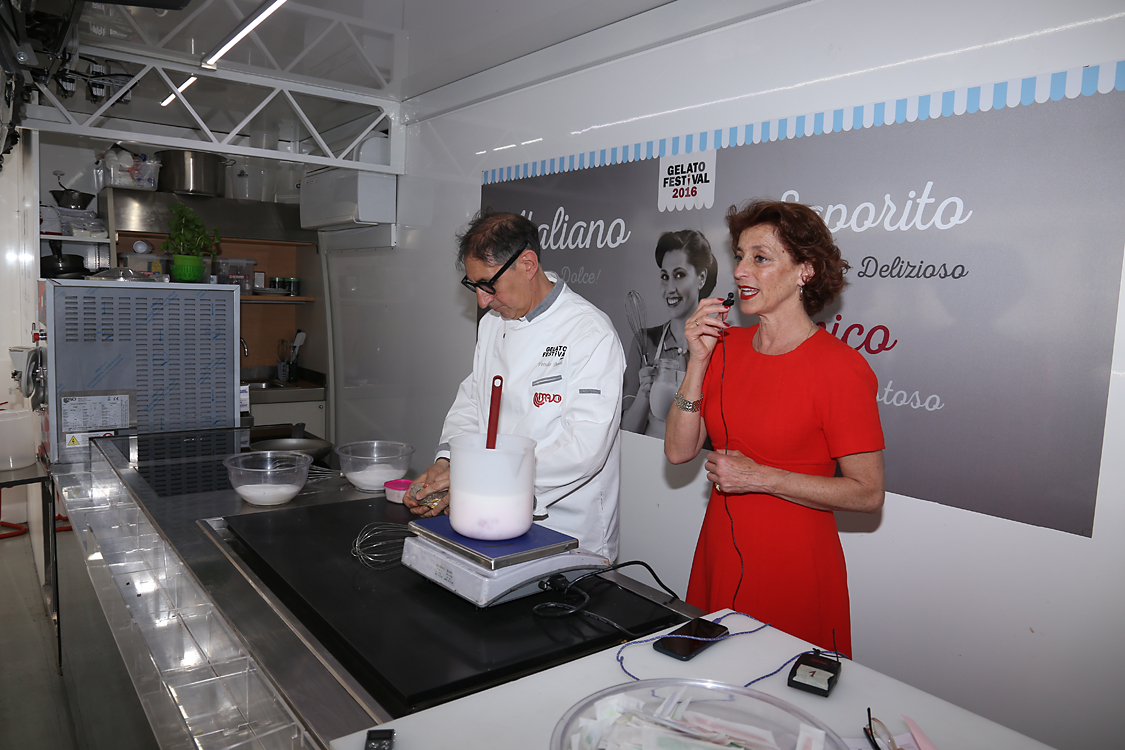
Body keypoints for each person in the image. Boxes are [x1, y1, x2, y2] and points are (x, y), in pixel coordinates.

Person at [664, 199, 885, 657]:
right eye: (740, 256)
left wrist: (760, 477)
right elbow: (679, 451)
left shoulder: (840, 369)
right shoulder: (724, 347)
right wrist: (697, 363)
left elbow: (867, 493)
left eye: (760, 258)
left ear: (805, 270)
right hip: (720, 553)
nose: (742, 270)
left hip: (794, 567)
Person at [404, 210, 625, 560]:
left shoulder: (589, 332)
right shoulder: (493, 324)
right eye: (474, 285)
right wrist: (448, 462)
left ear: (528, 264)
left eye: (488, 284)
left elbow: (585, 448)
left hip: (565, 528)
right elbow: (473, 402)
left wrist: (476, 480)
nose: (482, 300)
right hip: (492, 512)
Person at [622, 230, 718, 438]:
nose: (670, 288)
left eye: (680, 275)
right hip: (643, 461)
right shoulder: (645, 342)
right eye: (665, 277)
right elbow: (627, 433)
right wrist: (644, 393)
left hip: (696, 467)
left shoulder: (718, 347)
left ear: (701, 278)